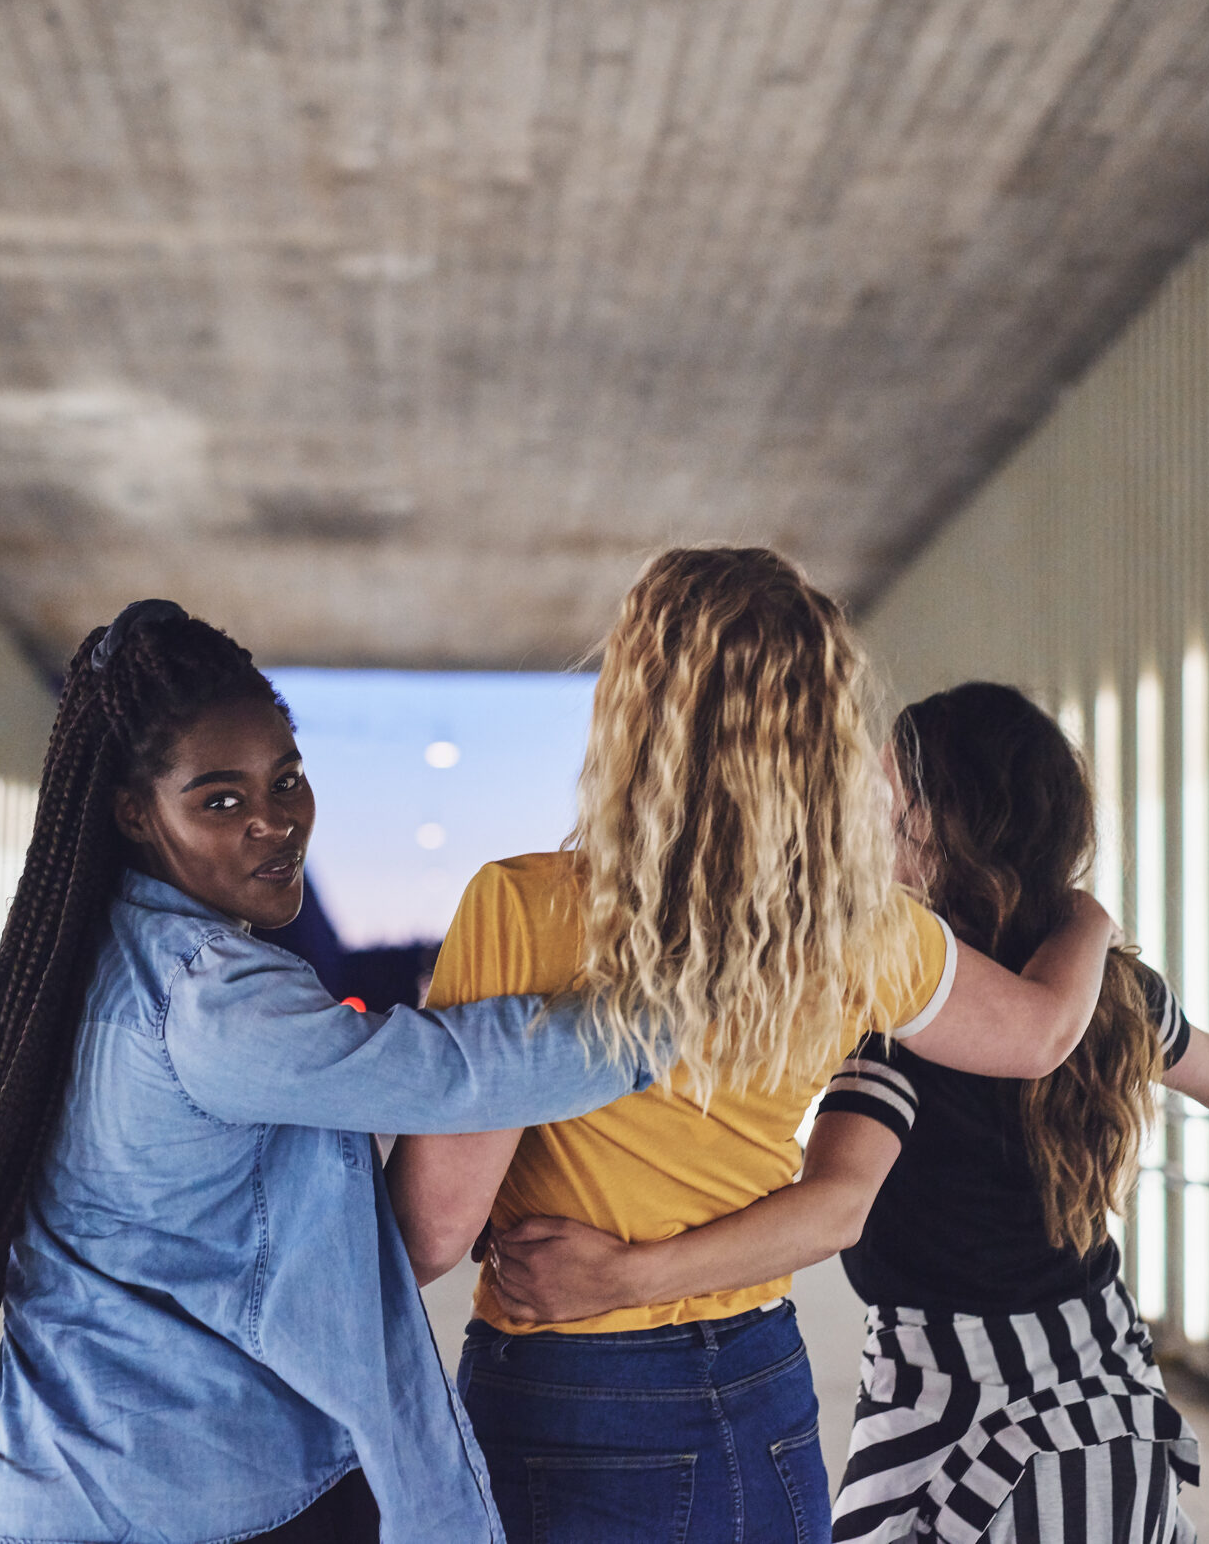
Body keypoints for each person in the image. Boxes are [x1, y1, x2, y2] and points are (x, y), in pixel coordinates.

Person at [0, 599, 670, 1544]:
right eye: (221, 799)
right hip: (203, 1501)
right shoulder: (208, 999)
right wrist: (680, 1012)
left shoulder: (83, 961)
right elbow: (453, 1074)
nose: (274, 823)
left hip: (47, 1495)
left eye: (287, 780)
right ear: (135, 813)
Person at [486, 681, 1209, 1544]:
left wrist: (626, 1276)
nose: (872, 814)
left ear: (940, 828)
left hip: (963, 1400)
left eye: (893, 796)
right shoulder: (1115, 993)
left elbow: (838, 1203)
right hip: (1092, 1382)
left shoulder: (911, 1014)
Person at [387, 552, 1119, 1544]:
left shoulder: (523, 908)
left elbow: (430, 1233)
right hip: (760, 1382)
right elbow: (1039, 1034)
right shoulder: (866, 932)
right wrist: (1089, 915)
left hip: (571, 1389)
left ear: (637, 709)